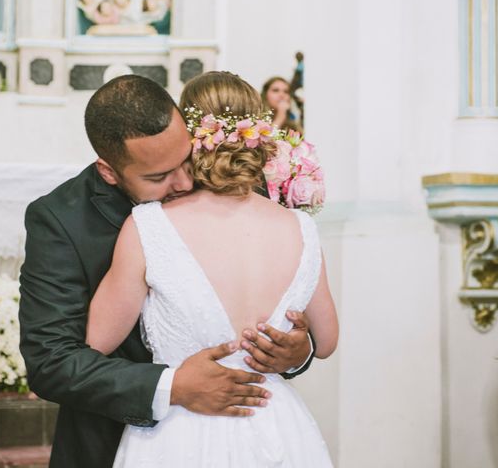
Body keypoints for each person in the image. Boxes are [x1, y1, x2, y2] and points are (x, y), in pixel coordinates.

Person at [19, 74, 315, 468]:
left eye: (186, 159)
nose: (185, 182)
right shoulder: (61, 220)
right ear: (109, 171)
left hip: (244, 441)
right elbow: (52, 362)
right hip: (112, 444)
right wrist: (172, 386)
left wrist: (295, 351)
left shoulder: (226, 181)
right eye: (158, 177)